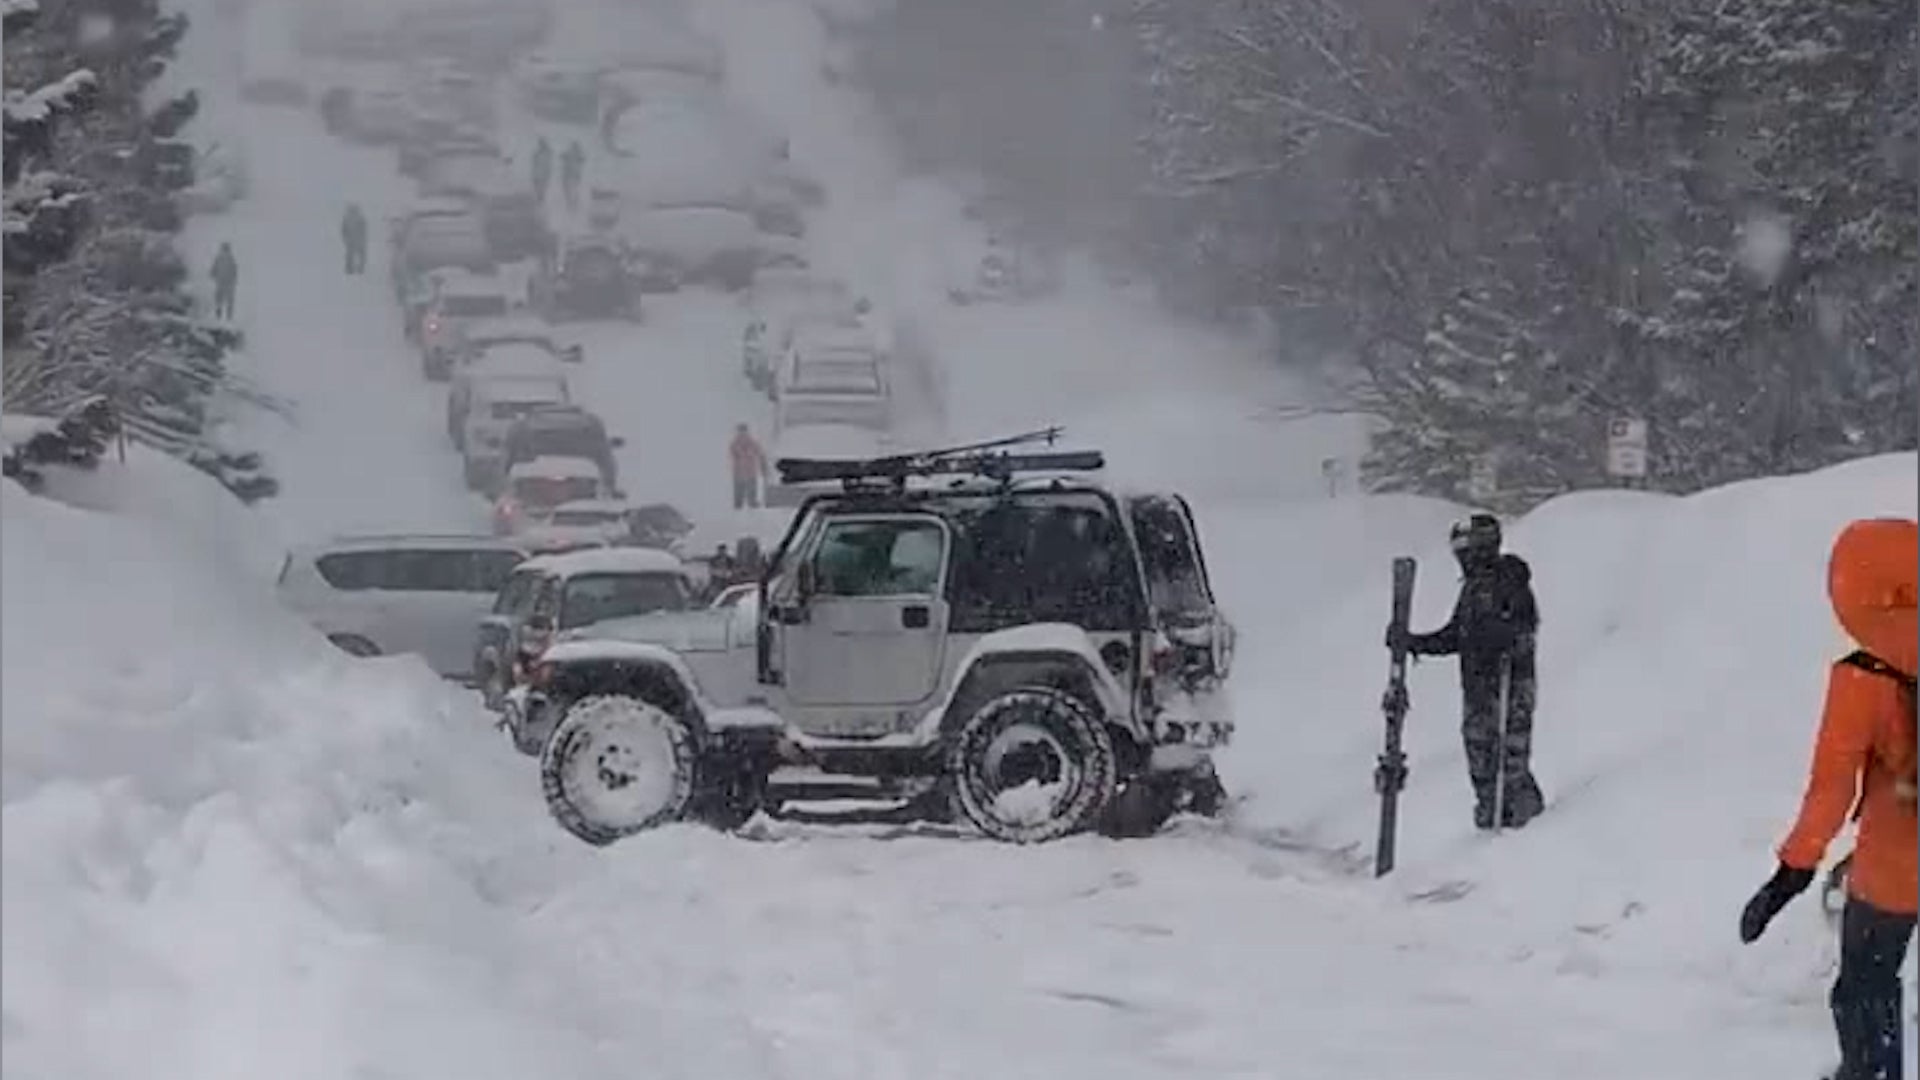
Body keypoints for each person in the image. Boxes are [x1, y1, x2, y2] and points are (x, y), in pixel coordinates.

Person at [1740, 518, 1916, 1080]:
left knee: (1865, 982)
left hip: (1899, 860)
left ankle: (1871, 1073)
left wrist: (1792, 871)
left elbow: (1832, 785)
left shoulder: (1864, 674)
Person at [1389, 513, 1544, 829]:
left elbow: (1522, 628)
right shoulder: (1472, 590)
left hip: (1507, 683)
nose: (1461, 556)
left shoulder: (1510, 581)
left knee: (1509, 753)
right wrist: (1414, 642)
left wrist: (1501, 636)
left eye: (1465, 547)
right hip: (1477, 686)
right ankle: (1490, 812)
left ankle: (1522, 816)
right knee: (1479, 750)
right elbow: (1456, 636)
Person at [728, 422, 769, 509]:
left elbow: (733, 454)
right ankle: (751, 503)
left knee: (740, 490)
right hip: (749, 471)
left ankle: (739, 504)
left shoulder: (735, 443)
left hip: (740, 472)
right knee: (749, 489)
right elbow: (760, 454)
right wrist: (763, 467)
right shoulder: (751, 442)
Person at [210, 242, 239, 320]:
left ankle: (220, 315)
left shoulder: (220, 258)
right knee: (227, 300)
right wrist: (234, 281)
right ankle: (226, 316)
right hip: (226, 283)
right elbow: (235, 272)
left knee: (220, 299)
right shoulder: (230, 259)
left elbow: (213, 270)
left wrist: (213, 275)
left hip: (223, 282)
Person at [340, 203, 367, 275]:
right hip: (355, 241)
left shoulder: (347, 218)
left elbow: (343, 230)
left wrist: (345, 238)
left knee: (352, 255)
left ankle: (352, 269)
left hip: (353, 240)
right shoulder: (360, 218)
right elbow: (343, 230)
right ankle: (356, 269)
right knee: (355, 255)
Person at [559, 141, 585, 211]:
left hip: (569, 174)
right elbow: (583, 160)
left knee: (568, 189)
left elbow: (561, 156)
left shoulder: (569, 152)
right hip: (574, 175)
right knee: (573, 189)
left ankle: (571, 202)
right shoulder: (578, 153)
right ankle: (573, 202)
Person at [531, 137, 553, 204]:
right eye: (540, 143)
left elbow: (548, 164)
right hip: (538, 174)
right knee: (539, 188)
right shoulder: (538, 153)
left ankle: (540, 200)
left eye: (541, 143)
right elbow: (534, 163)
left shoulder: (546, 153)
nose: (540, 145)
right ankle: (540, 199)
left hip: (542, 174)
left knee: (541, 188)